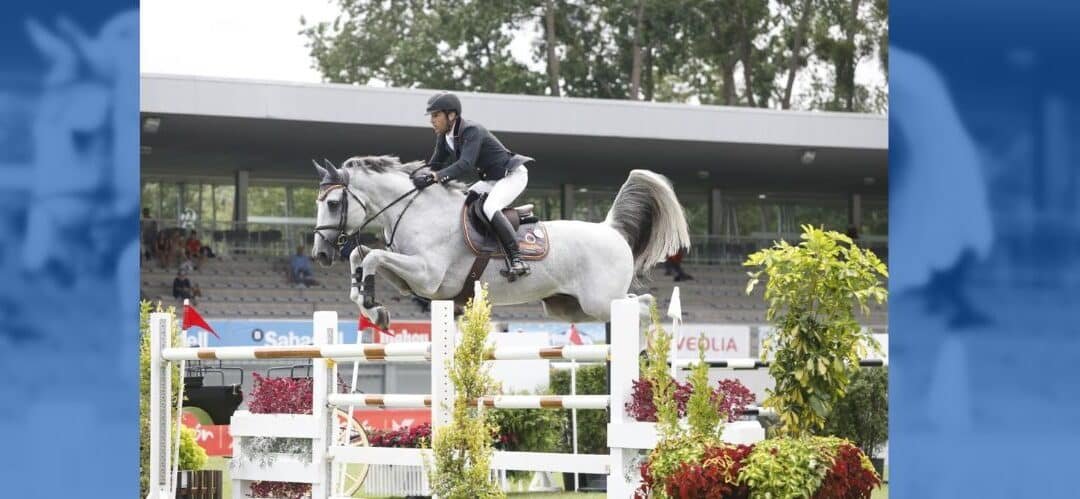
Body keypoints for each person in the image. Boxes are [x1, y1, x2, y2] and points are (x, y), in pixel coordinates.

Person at [412, 92, 533, 279]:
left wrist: (434, 177)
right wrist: (415, 176)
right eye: (431, 116)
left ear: (451, 115)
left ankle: (517, 259)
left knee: (490, 207)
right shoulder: (444, 137)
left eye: (436, 115)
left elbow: (465, 164)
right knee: (463, 203)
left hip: (512, 175)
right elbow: (435, 164)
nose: (432, 120)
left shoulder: (471, 130)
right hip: (492, 180)